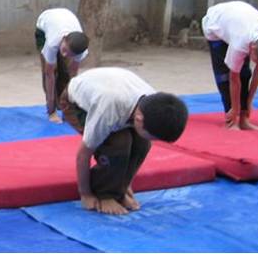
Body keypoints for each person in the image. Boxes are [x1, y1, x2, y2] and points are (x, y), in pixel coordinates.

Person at [60, 67, 188, 215]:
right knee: (119, 143)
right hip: (75, 102)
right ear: (139, 120)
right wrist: (85, 194)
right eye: (154, 136)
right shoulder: (108, 110)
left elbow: (144, 136)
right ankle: (105, 194)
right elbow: (83, 154)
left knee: (142, 144)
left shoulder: (153, 103)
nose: (154, 140)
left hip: (113, 89)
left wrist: (124, 184)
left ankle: (119, 189)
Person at [202, 1, 258, 130]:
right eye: (255, 59)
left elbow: (256, 75)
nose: (257, 64)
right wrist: (234, 109)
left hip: (238, 20)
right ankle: (231, 121)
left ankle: (243, 120)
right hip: (215, 24)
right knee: (224, 76)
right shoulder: (240, 43)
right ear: (252, 47)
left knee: (245, 73)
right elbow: (234, 78)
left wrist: (248, 104)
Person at [35, 8, 89, 124]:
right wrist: (52, 112)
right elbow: (49, 74)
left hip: (65, 19)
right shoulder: (52, 42)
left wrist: (70, 107)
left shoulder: (81, 51)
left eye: (69, 54)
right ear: (64, 39)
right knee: (51, 70)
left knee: (65, 73)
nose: (64, 54)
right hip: (44, 25)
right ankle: (52, 108)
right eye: (64, 50)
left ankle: (64, 107)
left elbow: (73, 75)